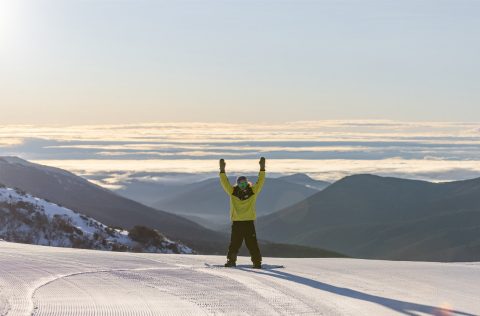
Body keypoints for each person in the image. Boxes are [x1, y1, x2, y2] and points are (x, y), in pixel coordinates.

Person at [219, 157, 266, 269]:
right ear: (237, 184)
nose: (243, 185)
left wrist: (262, 169)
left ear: (247, 183)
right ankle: (232, 261)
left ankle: (256, 262)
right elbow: (225, 183)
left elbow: (260, 182)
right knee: (235, 244)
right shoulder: (233, 192)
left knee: (251, 244)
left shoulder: (252, 191)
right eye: (240, 184)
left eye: (244, 183)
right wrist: (222, 171)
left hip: (247, 222)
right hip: (238, 223)